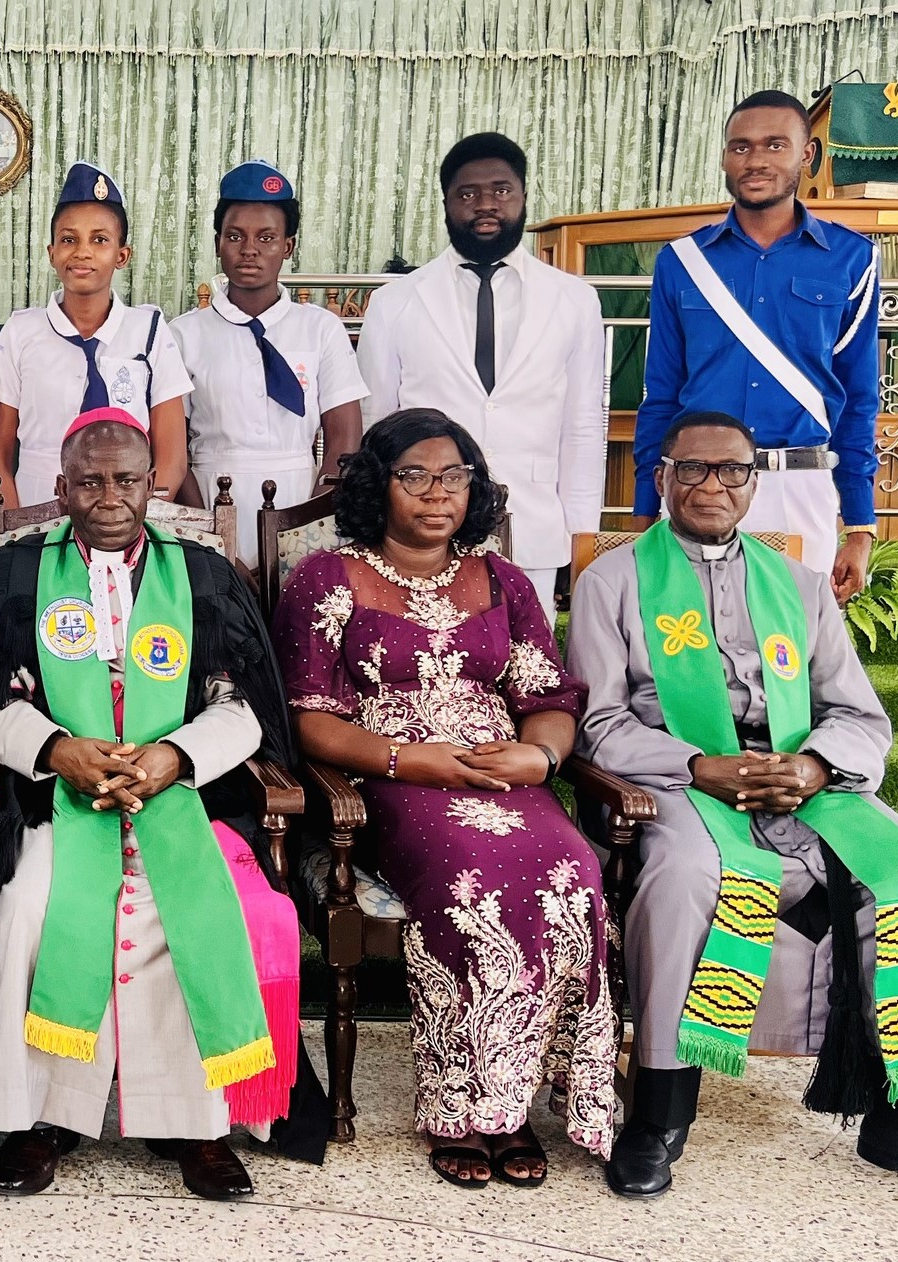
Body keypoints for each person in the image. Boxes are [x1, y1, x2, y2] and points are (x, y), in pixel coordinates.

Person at [565, 411, 898, 1217]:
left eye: (731, 471)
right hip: (681, 782)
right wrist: (700, 765)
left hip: (804, 782)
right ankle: (658, 1114)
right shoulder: (614, 581)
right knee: (686, 878)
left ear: (753, 482)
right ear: (662, 477)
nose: (712, 486)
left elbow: (858, 715)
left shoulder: (802, 588)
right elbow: (599, 723)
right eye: (693, 470)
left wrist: (813, 766)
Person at [0, 407, 326, 1203]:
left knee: (197, 913)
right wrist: (56, 751)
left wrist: (173, 757)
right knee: (32, 906)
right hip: (53, 798)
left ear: (156, 482)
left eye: (126, 478)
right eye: (89, 481)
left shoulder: (205, 577)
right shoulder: (10, 577)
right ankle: (39, 1117)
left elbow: (245, 704)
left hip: (182, 797)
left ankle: (193, 1126)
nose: (109, 496)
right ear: (61, 487)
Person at [272, 408, 614, 1187]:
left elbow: (548, 691)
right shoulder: (326, 578)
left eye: (454, 476)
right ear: (377, 487)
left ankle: (520, 1101)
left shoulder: (504, 580)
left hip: (503, 770)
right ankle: (462, 1105)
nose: (437, 493)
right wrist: (412, 760)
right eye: (415, 476)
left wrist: (542, 753)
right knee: (473, 873)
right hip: (388, 777)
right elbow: (307, 717)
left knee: (571, 870)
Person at [633, 91, 881, 597]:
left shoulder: (851, 259)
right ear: (725, 156)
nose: (756, 161)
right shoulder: (681, 262)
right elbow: (660, 394)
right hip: (699, 484)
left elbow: (858, 398)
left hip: (799, 482)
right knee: (688, 642)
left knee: (795, 651)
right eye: (740, 148)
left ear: (806, 155)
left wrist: (859, 526)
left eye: (775, 145)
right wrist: (645, 505)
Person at [358, 133, 605, 611]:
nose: (485, 205)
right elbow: (377, 426)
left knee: (528, 672)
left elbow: (581, 430)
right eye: (468, 194)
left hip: (534, 527)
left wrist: (580, 542)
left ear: (524, 197)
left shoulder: (574, 300)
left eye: (501, 190)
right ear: (447, 203)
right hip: (422, 532)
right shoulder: (395, 302)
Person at [171, 161, 367, 567]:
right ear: (217, 243)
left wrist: (306, 532)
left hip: (304, 500)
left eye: (266, 237)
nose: (249, 250)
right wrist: (207, 535)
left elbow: (344, 442)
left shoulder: (320, 329)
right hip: (210, 502)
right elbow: (171, 449)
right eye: (235, 236)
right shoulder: (183, 334)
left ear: (288, 247)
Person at [0, 163, 192, 509]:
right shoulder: (22, 332)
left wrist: (140, 520)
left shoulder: (150, 331)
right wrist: (13, 535)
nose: (82, 251)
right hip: (38, 510)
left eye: (100, 240)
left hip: (128, 514)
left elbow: (172, 459)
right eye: (69, 239)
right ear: (52, 253)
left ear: (122, 255)